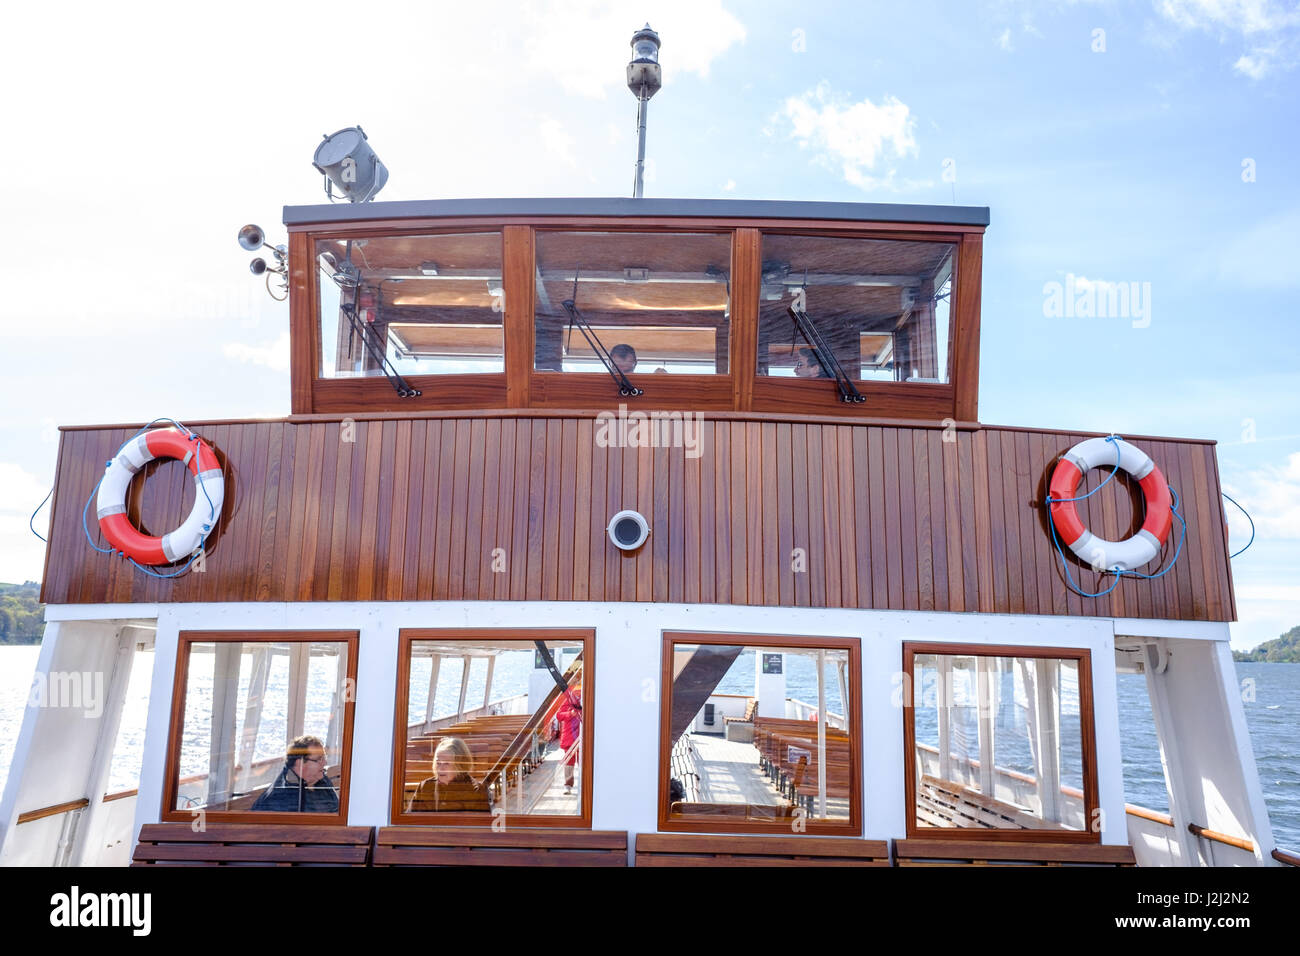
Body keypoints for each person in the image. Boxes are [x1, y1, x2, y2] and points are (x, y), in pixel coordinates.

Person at [250, 735, 339, 813]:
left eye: (324, 757)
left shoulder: (321, 779)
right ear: (299, 763)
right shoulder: (281, 798)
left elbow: (336, 809)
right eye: (319, 759)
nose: (325, 762)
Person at [407, 736, 491, 812]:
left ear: (460, 765)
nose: (440, 768)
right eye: (438, 763)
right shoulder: (425, 787)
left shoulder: (477, 791)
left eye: (446, 763)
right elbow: (410, 821)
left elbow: (479, 826)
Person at [555, 687, 582, 795]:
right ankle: (568, 785)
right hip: (570, 737)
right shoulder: (568, 700)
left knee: (582, 762)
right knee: (569, 763)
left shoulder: (589, 698)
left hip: (583, 735)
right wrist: (570, 714)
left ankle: (583, 784)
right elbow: (559, 715)